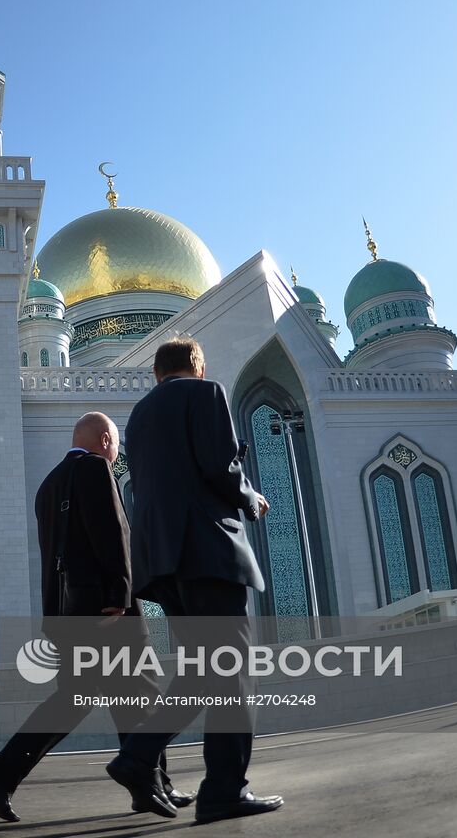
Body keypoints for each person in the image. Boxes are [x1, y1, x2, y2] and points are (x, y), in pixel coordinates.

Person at [0, 413, 191, 823]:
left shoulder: (48, 484)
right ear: (106, 440)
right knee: (140, 695)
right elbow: (112, 533)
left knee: (81, 699)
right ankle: (149, 782)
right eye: (114, 445)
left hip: (66, 615)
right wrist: (121, 595)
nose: (114, 453)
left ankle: (2, 772)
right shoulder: (94, 468)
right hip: (107, 612)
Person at [105, 337, 283, 825]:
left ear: (158, 373)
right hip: (208, 550)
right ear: (197, 368)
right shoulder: (206, 395)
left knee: (204, 673)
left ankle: (140, 757)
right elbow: (219, 464)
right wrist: (250, 497)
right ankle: (222, 789)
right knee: (232, 672)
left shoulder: (138, 415)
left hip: (164, 563)